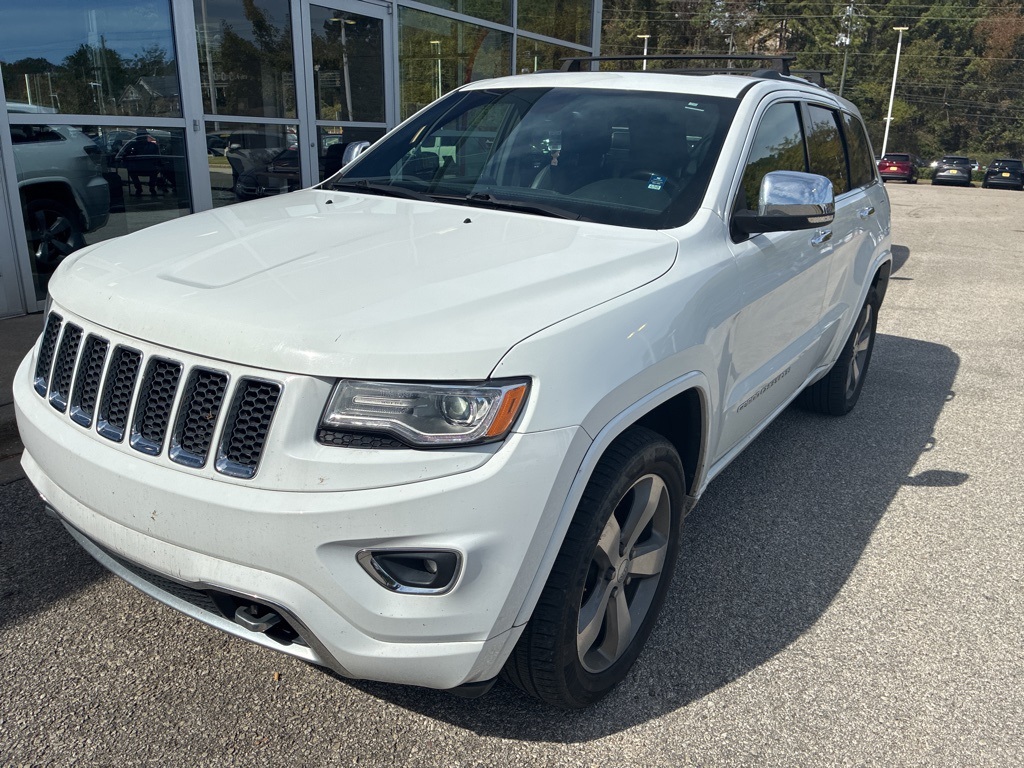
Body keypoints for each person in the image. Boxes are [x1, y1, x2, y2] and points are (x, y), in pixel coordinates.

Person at [119, 129, 163, 195]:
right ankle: (144, 188)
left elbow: (124, 156)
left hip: (144, 169)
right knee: (132, 172)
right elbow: (125, 155)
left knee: (133, 172)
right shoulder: (132, 145)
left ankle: (146, 188)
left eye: (144, 136)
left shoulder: (152, 145)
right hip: (141, 168)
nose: (143, 137)